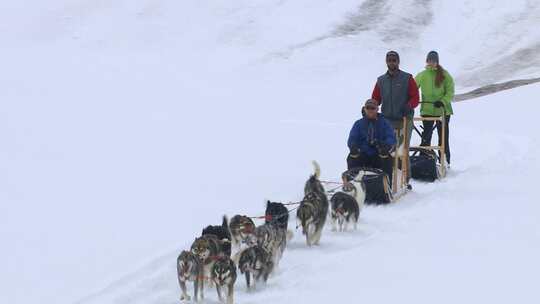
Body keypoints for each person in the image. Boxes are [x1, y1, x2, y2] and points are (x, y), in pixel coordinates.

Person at [371, 50, 419, 181]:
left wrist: (409, 106)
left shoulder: (407, 78)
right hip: (387, 120)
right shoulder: (381, 81)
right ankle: (388, 175)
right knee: (386, 148)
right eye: (389, 60)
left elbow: (415, 97)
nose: (392, 62)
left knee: (403, 149)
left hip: (404, 118)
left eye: (394, 60)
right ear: (386, 62)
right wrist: (370, 108)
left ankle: (406, 178)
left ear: (398, 62)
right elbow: (376, 98)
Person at [415, 50, 455, 164]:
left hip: (443, 111)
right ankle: (423, 160)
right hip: (427, 110)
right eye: (429, 60)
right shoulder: (422, 75)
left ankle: (445, 161)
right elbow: (412, 88)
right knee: (426, 136)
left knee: (443, 138)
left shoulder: (445, 75)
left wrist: (443, 101)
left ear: (437, 61)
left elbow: (450, 91)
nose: (431, 63)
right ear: (427, 61)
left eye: (433, 60)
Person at [347, 99, 397, 180]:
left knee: (387, 160)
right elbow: (352, 138)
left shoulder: (385, 123)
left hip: (378, 153)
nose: (370, 110)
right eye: (368, 108)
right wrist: (353, 147)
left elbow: (391, 137)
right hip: (363, 153)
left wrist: (386, 146)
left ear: (377, 109)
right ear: (364, 109)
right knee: (352, 157)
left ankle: (386, 188)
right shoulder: (358, 124)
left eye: (373, 108)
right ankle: (352, 185)